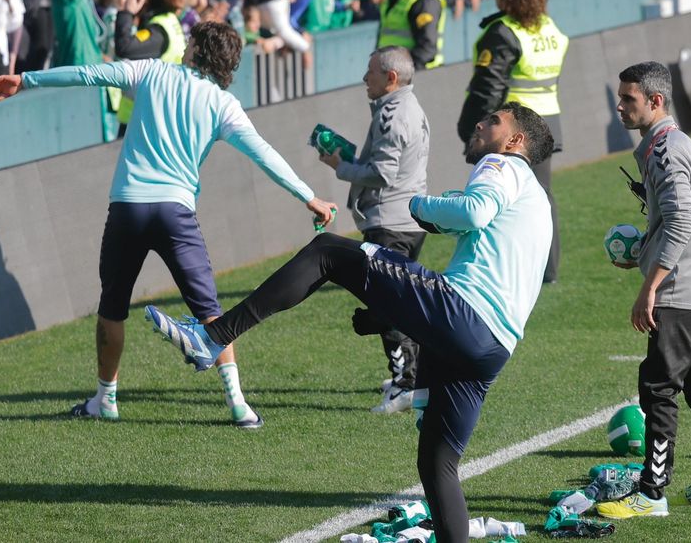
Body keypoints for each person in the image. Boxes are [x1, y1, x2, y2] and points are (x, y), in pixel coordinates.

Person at [145, 102, 555, 543]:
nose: (480, 122)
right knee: (437, 462)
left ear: (515, 141)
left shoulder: (503, 164)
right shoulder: (535, 199)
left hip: (464, 313)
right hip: (492, 349)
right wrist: (387, 311)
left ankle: (212, 337)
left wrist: (421, 204)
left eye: (494, 120)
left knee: (328, 252)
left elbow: (474, 213)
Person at [0, 21, 336, 428]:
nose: (184, 46)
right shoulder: (224, 105)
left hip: (128, 209)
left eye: (189, 42)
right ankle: (238, 404)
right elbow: (265, 155)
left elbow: (87, 74)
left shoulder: (151, 71)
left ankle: (106, 399)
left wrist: (24, 80)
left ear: (197, 51)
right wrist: (309, 196)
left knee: (112, 309)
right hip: (176, 215)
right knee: (210, 313)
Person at [598, 61, 691, 519]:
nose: (619, 106)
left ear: (655, 101)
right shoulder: (684, 145)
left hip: (679, 291)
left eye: (628, 99)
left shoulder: (667, 153)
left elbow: (679, 220)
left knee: (657, 387)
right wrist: (642, 254)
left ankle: (652, 493)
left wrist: (650, 285)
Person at [318, 46, 431, 413]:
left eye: (371, 72)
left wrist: (341, 166)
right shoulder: (407, 108)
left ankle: (404, 384)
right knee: (402, 302)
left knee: (387, 304)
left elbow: (382, 173)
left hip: (390, 224)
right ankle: (413, 375)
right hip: (408, 220)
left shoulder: (392, 115)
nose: (365, 78)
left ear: (391, 78)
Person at [457, 0, 567, 283]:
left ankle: (503, 268)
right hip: (547, 122)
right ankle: (548, 269)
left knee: (496, 196)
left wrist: (472, 130)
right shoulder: (547, 27)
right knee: (542, 196)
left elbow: (486, 89)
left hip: (512, 129)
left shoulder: (503, 31)